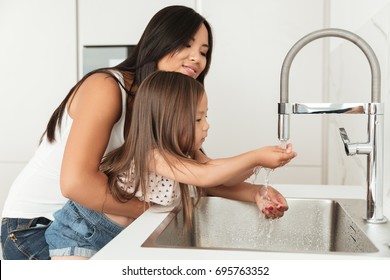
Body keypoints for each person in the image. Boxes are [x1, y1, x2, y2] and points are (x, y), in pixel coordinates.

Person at [0, 5, 289, 260]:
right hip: (38, 226)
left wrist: (256, 193)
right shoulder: (107, 87)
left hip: (100, 225)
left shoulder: (161, 108)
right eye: (186, 46)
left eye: (203, 52)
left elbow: (199, 173)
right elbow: (75, 184)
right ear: (158, 43)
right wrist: (156, 213)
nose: (196, 59)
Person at [45, 71, 297, 259]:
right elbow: (206, 176)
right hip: (79, 233)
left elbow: (218, 178)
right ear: (167, 122)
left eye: (205, 116)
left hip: (121, 237)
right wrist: (255, 157)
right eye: (198, 119)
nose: (206, 125)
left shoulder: (185, 154)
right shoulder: (151, 155)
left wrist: (257, 192)